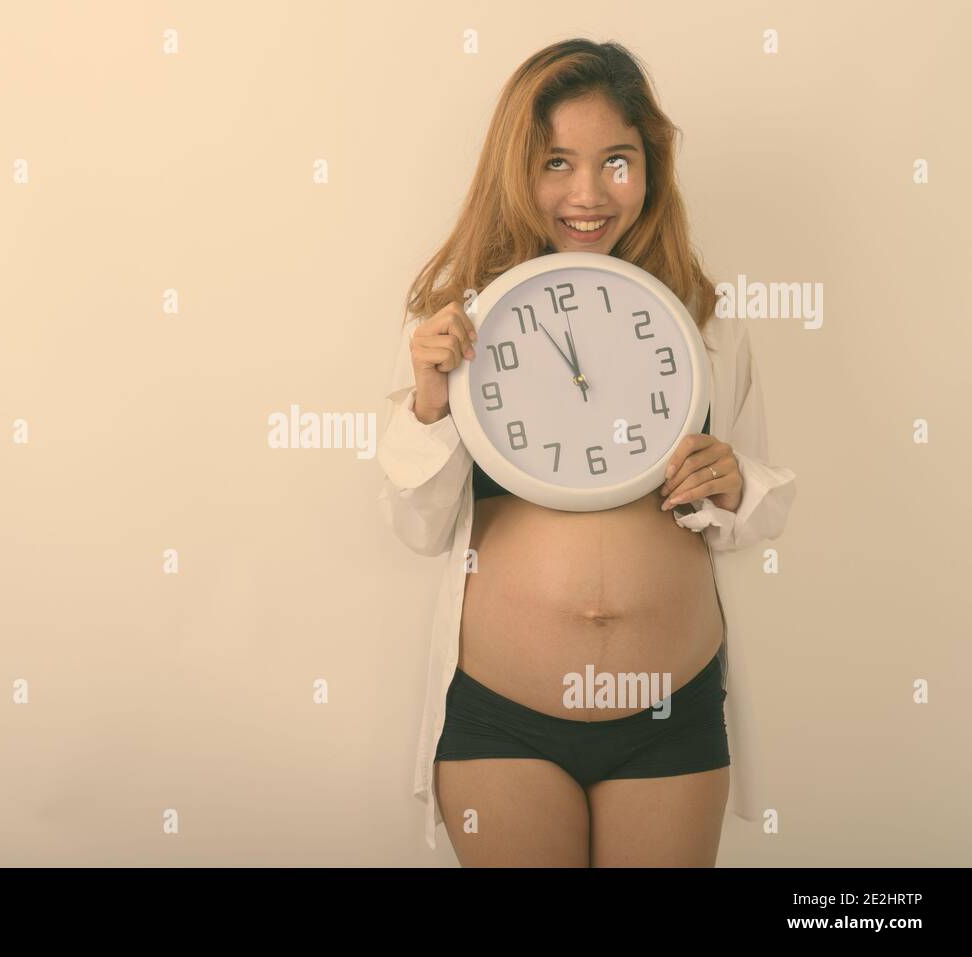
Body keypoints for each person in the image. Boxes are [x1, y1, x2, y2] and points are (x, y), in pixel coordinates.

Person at [376, 39, 798, 866]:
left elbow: (758, 506)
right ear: (514, 171)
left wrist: (736, 481)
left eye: (617, 162)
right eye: (555, 162)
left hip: (668, 719)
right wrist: (430, 406)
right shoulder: (456, 333)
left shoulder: (705, 331)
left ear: (651, 169)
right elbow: (419, 528)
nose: (587, 193)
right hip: (503, 722)